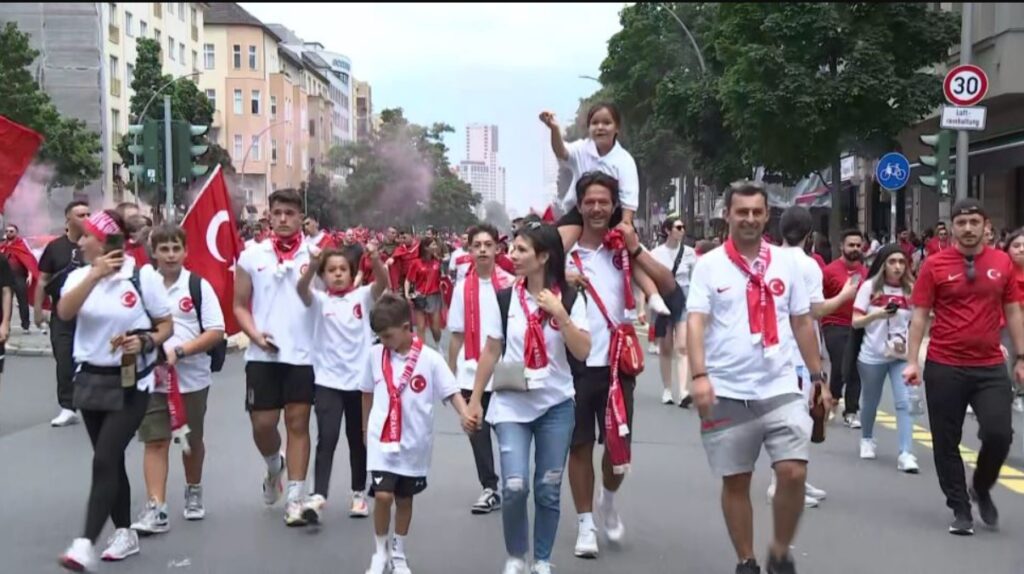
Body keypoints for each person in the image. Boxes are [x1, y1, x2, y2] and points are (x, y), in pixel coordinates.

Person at [688, 182, 830, 574]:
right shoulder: (709, 265)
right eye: (741, 212)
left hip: (780, 386)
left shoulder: (789, 264)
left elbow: (802, 322)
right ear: (728, 215)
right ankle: (747, 561)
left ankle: (780, 550)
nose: (749, 218)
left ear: (768, 216)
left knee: (793, 471)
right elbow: (696, 323)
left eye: (756, 212)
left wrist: (818, 376)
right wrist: (699, 375)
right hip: (726, 390)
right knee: (737, 480)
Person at [467, 221, 591, 574]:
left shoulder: (568, 297)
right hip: (511, 404)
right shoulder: (505, 297)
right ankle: (516, 556)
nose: (512, 256)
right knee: (516, 486)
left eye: (521, 250)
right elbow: (491, 349)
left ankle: (542, 560)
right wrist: (476, 400)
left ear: (543, 256)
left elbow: (582, 351)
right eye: (514, 249)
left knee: (548, 487)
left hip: (555, 405)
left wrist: (561, 314)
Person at [565, 172, 676, 559]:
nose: (597, 208)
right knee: (578, 447)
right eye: (590, 202)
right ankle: (585, 525)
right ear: (579, 206)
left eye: (604, 202)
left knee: (617, 450)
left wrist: (636, 249)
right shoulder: (565, 252)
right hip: (575, 365)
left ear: (614, 206)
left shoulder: (622, 247)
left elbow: (662, 283)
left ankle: (608, 501)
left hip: (616, 365)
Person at [57, 210, 173, 571]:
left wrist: (145, 341)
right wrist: (94, 275)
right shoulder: (79, 275)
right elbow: (64, 312)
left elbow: (166, 325)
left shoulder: (142, 277)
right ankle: (125, 532)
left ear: (104, 241)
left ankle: (84, 543)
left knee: (103, 458)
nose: (78, 242)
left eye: (85, 237)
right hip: (90, 380)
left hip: (130, 382)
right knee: (111, 459)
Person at [904, 199, 1024, 536]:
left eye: (974, 222)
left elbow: (1013, 310)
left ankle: (981, 487)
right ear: (952, 227)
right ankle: (960, 507)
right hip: (944, 365)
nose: (968, 228)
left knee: (1000, 434)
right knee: (946, 441)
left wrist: (1021, 358)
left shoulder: (1002, 263)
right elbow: (919, 316)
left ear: (985, 225)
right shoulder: (935, 265)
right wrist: (912, 361)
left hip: (988, 366)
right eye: (961, 222)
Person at [362, 294, 474, 574]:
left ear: (406, 327)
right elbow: (366, 393)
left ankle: (399, 551)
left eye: (388, 335)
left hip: (414, 442)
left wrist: (465, 414)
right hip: (382, 439)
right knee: (383, 496)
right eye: (379, 336)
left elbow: (451, 391)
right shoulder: (375, 355)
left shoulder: (430, 359)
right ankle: (380, 552)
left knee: (404, 499)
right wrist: (365, 429)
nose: (383, 341)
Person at [130, 225, 225, 535]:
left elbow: (215, 331)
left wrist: (181, 351)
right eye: (164, 249)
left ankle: (193, 489)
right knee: (155, 441)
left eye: (176, 248)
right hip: (152, 376)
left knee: (189, 441)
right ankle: (156, 507)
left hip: (191, 379)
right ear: (153, 252)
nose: (170, 255)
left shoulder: (198, 286)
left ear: (185, 252)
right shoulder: (142, 285)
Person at [233, 188, 318, 526]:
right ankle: (274, 466)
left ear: (301, 218)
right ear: (269, 216)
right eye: (278, 213)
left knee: (298, 424)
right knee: (263, 424)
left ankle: (296, 498)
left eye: (290, 214)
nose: (283, 219)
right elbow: (239, 304)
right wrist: (254, 335)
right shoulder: (252, 255)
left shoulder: (316, 254)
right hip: (262, 355)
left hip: (304, 355)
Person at [539, 104, 671, 318]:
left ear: (616, 128)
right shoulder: (581, 149)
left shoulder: (624, 160)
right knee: (555, 242)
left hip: (615, 213)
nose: (600, 128)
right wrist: (554, 129)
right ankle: (550, 275)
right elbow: (561, 151)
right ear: (588, 127)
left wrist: (625, 226)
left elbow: (629, 197)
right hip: (580, 211)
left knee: (631, 251)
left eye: (606, 123)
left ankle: (653, 294)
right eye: (595, 123)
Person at [297, 241, 389, 524]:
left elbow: (383, 282)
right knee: (327, 437)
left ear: (352, 273)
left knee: (357, 440)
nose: (337, 274)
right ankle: (318, 495)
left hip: (359, 383)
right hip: (327, 381)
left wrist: (374, 259)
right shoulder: (319, 301)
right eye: (331, 270)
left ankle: (358, 493)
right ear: (323, 276)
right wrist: (312, 265)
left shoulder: (362, 297)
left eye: (343, 270)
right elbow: (301, 290)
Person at [775, 206, 858, 508]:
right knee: (795, 419)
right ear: (810, 234)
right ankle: (783, 484)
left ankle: (796, 478)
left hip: (776, 346)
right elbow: (815, 309)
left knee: (794, 418)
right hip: (798, 348)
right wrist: (846, 296)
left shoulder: (769, 258)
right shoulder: (808, 265)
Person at [447, 224, 514, 515]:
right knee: (477, 431)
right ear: (470, 250)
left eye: (489, 244)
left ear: (498, 249)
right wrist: (449, 374)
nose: (484, 249)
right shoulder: (462, 288)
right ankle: (489, 487)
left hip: (504, 370)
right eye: (478, 245)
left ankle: (514, 482)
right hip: (470, 370)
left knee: (509, 431)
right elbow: (456, 335)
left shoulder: (511, 283)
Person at [851, 245, 919, 473]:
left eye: (902, 261)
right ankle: (867, 438)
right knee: (871, 400)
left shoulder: (912, 289)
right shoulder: (869, 287)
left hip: (901, 355)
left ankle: (906, 453)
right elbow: (855, 321)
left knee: (904, 403)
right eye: (892, 261)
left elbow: (919, 321)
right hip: (873, 354)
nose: (898, 266)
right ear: (883, 264)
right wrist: (877, 314)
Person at [37, 201, 92, 427]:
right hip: (62, 313)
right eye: (80, 214)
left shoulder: (96, 245)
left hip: (91, 314)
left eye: (89, 214)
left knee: (90, 360)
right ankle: (67, 407)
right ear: (68, 219)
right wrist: (38, 311)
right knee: (64, 360)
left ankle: (93, 402)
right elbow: (43, 280)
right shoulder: (55, 248)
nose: (86, 217)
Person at [820, 229, 868, 427]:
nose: (855, 249)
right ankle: (833, 399)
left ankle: (851, 411)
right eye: (851, 245)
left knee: (856, 366)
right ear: (842, 246)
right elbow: (818, 301)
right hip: (834, 324)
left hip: (858, 325)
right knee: (841, 362)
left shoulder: (867, 273)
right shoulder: (829, 271)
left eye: (858, 245)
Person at [649, 216, 698, 407]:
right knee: (666, 347)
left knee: (682, 346)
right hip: (664, 299)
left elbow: (695, 280)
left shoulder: (690, 254)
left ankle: (684, 391)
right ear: (668, 230)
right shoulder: (656, 254)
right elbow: (651, 277)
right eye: (678, 227)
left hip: (684, 298)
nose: (682, 230)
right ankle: (667, 389)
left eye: (683, 227)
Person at [405, 237, 444, 346]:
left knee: (435, 328)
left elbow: (444, 278)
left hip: (434, 297)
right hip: (420, 297)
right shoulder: (416, 263)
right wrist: (407, 294)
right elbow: (408, 280)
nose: (435, 247)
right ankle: (421, 350)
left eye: (436, 244)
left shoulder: (438, 262)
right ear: (426, 248)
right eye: (433, 245)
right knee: (421, 326)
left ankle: (438, 344)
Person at [1002, 228, 1024, 414]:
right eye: (1016, 246)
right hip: (1005, 325)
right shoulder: (1002, 271)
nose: (1021, 250)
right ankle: (1007, 392)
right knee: (1007, 359)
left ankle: (1020, 393)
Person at [1, 224, 34, 332]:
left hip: (19, 276)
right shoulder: (3, 246)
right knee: (5, 301)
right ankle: (5, 324)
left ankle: (25, 325)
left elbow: (29, 260)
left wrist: (30, 273)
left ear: (16, 232)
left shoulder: (21, 245)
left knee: (22, 301)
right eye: (7, 231)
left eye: (11, 231)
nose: (9, 233)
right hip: (5, 277)